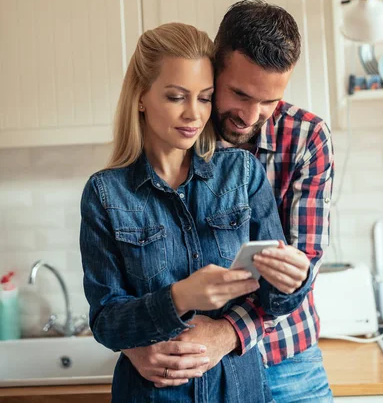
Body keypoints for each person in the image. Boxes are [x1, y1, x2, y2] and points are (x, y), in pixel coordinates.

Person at [79, 22, 312, 403]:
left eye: (205, 98)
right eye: (176, 97)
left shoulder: (242, 173)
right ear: (141, 96)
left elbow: (274, 302)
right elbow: (106, 323)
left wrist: (294, 279)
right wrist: (181, 296)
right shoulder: (105, 194)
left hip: (239, 389)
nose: (193, 114)